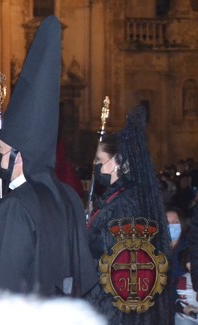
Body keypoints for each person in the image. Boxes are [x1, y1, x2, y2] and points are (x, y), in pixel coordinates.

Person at [0, 16, 95, 297]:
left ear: (19, 157)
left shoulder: (15, 207)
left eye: (1, 150)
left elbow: (3, 288)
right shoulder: (70, 196)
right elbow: (85, 275)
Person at [85, 106, 172, 323]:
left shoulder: (122, 205)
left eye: (100, 160)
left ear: (117, 162)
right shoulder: (116, 198)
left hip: (110, 309)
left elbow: (120, 270)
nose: (97, 166)